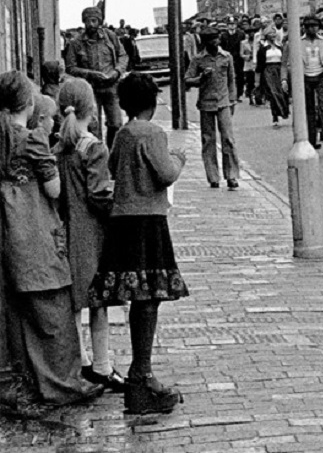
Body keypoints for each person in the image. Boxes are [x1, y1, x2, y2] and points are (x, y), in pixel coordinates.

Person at [0, 71, 103, 407]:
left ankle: (23, 380)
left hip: (5, 224)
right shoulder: (30, 139)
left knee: (15, 312)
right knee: (51, 305)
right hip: (31, 224)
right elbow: (54, 189)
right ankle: (61, 382)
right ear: (29, 104)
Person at [88, 72, 187, 414]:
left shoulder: (122, 134)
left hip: (122, 223)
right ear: (152, 102)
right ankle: (141, 376)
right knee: (148, 300)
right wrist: (179, 159)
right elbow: (166, 174)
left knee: (137, 297)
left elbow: (114, 167)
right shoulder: (153, 133)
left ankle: (140, 376)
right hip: (148, 222)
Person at [54, 78, 124, 393]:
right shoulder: (93, 148)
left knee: (72, 305)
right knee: (98, 302)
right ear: (91, 108)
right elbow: (98, 195)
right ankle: (102, 366)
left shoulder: (58, 147)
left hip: (62, 231)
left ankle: (80, 361)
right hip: (90, 234)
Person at [64, 6, 128, 148]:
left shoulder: (110, 37)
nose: (91, 24)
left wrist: (116, 72)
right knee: (93, 125)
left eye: (94, 21)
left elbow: (123, 56)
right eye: (88, 21)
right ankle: (96, 154)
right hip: (90, 89)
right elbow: (70, 67)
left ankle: (112, 155)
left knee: (116, 123)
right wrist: (90, 74)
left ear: (100, 21)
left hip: (111, 87)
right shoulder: (76, 43)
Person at [185, 28, 240, 190]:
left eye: (217, 39)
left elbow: (231, 80)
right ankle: (213, 177)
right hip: (206, 104)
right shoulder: (198, 59)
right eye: (211, 40)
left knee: (228, 139)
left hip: (223, 102)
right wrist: (200, 78)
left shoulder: (227, 57)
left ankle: (231, 176)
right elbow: (187, 79)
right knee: (208, 140)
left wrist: (232, 100)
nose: (215, 43)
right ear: (205, 42)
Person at [285, 15, 323, 157]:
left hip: (321, 76)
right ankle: (309, 142)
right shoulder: (295, 43)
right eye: (308, 26)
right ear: (304, 27)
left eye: (314, 26)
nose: (312, 29)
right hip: (304, 78)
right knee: (307, 112)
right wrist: (285, 79)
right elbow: (286, 63)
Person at [257, 29, 289, 127]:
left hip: (280, 70)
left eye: (274, 33)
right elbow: (259, 65)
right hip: (268, 71)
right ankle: (275, 116)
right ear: (266, 36)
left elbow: (285, 60)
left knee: (283, 92)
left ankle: (284, 111)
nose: (272, 35)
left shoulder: (280, 47)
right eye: (270, 33)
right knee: (273, 93)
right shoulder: (263, 49)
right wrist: (257, 80)